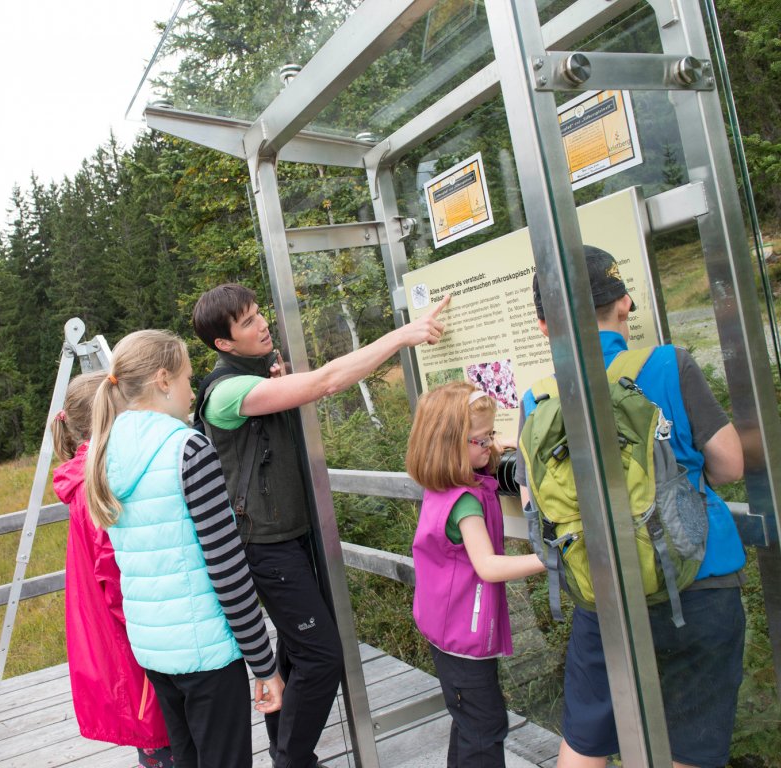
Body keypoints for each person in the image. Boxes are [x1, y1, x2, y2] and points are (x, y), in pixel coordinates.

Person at [191, 283, 450, 768]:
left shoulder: (256, 375)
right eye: (247, 322)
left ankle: (282, 752)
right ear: (223, 344)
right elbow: (328, 381)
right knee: (321, 655)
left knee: (295, 651)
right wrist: (401, 336)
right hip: (265, 545)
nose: (263, 323)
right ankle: (293, 760)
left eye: (258, 313)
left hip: (289, 537)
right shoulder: (226, 391)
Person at [518, 245, 746, 768]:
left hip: (602, 593)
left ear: (542, 324)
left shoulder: (538, 398)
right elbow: (730, 464)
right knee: (689, 746)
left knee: (585, 745)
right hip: (699, 579)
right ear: (623, 304)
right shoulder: (667, 363)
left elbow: (536, 502)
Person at [82, 329, 284, 768]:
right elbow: (227, 569)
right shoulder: (187, 449)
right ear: (162, 380)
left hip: (155, 650)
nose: (193, 389)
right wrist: (264, 665)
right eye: (188, 377)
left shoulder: (106, 451)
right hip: (207, 648)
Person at [406, 382, 545, 767]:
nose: (489, 446)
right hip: (463, 636)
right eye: (480, 439)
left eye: (490, 436)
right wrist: (548, 559)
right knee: (485, 727)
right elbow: (488, 566)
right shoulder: (464, 502)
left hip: (448, 630)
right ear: (449, 445)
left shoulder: (444, 488)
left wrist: (494, 451)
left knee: (470, 723)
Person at [50, 371, 175, 768]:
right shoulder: (101, 484)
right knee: (164, 741)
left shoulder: (87, 476)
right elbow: (118, 578)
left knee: (157, 746)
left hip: (118, 638)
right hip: (136, 640)